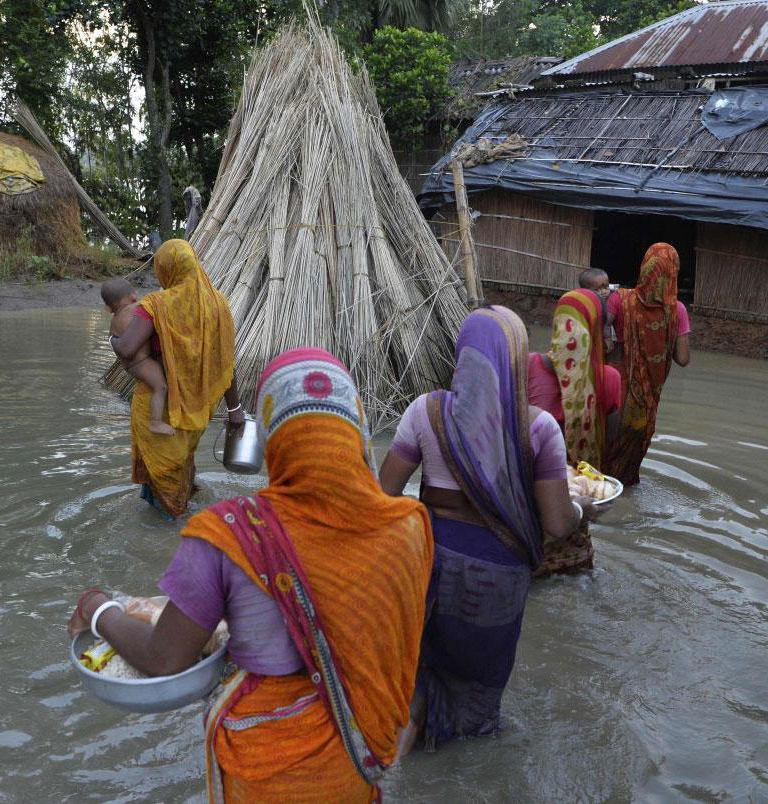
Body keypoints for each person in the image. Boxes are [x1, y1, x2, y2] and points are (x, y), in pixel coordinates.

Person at [69, 348, 433, 801]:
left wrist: (99, 608)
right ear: (356, 426)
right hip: (357, 759)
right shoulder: (407, 526)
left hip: (265, 768)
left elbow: (165, 658)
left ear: (271, 437)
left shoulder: (228, 535)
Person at [379, 306, 600, 749]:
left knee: (415, 682)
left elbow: (382, 496)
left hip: (426, 569)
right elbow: (557, 523)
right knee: (477, 699)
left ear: (463, 354)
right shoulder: (539, 429)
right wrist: (585, 510)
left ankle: (401, 766)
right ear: (517, 358)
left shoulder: (426, 412)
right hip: (495, 583)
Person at [110, 239, 243, 519]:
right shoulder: (219, 305)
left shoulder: (156, 305)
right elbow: (225, 362)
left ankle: (165, 539)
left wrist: (112, 339)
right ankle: (185, 522)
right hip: (195, 410)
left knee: (163, 485)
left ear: (165, 269)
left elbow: (127, 348)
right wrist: (235, 409)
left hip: (159, 410)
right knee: (182, 468)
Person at [526, 288, 622, 575]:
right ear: (596, 330)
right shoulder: (609, 380)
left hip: (528, 518)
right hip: (576, 514)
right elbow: (609, 445)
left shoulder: (526, 367)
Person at [605, 242, 691, 487]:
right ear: (673, 272)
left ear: (644, 268)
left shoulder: (619, 299)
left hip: (611, 394)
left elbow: (598, 330)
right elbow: (683, 359)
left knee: (599, 459)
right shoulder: (677, 311)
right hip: (643, 406)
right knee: (626, 472)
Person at [101, 277, 175, 436]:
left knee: (158, 386)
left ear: (108, 308)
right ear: (133, 296)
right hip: (141, 362)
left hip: (131, 365)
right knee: (160, 386)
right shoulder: (136, 308)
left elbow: (114, 340)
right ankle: (156, 423)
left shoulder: (114, 320)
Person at [578, 267, 615, 351]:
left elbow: (606, 323)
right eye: (597, 289)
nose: (603, 292)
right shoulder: (583, 302)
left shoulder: (610, 300)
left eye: (606, 287)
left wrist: (608, 339)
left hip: (602, 337)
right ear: (585, 291)